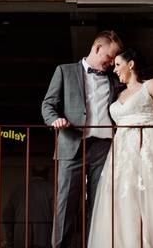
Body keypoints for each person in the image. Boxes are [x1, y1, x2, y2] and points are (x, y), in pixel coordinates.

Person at [86, 48, 153, 248]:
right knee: (123, 202)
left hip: (149, 146)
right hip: (121, 153)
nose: (115, 70)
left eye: (118, 65)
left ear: (131, 64)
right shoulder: (119, 93)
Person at [41, 31, 124, 248]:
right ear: (97, 48)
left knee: (98, 207)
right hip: (72, 145)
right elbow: (47, 105)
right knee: (65, 203)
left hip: (104, 148)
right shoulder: (64, 71)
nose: (112, 62)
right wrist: (55, 120)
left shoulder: (115, 78)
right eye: (110, 56)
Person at [2, 163, 55, 248]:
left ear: (32, 173)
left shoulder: (18, 189)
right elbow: (58, 215)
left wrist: (10, 238)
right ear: (47, 174)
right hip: (44, 238)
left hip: (21, 237)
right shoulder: (51, 190)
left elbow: (7, 215)